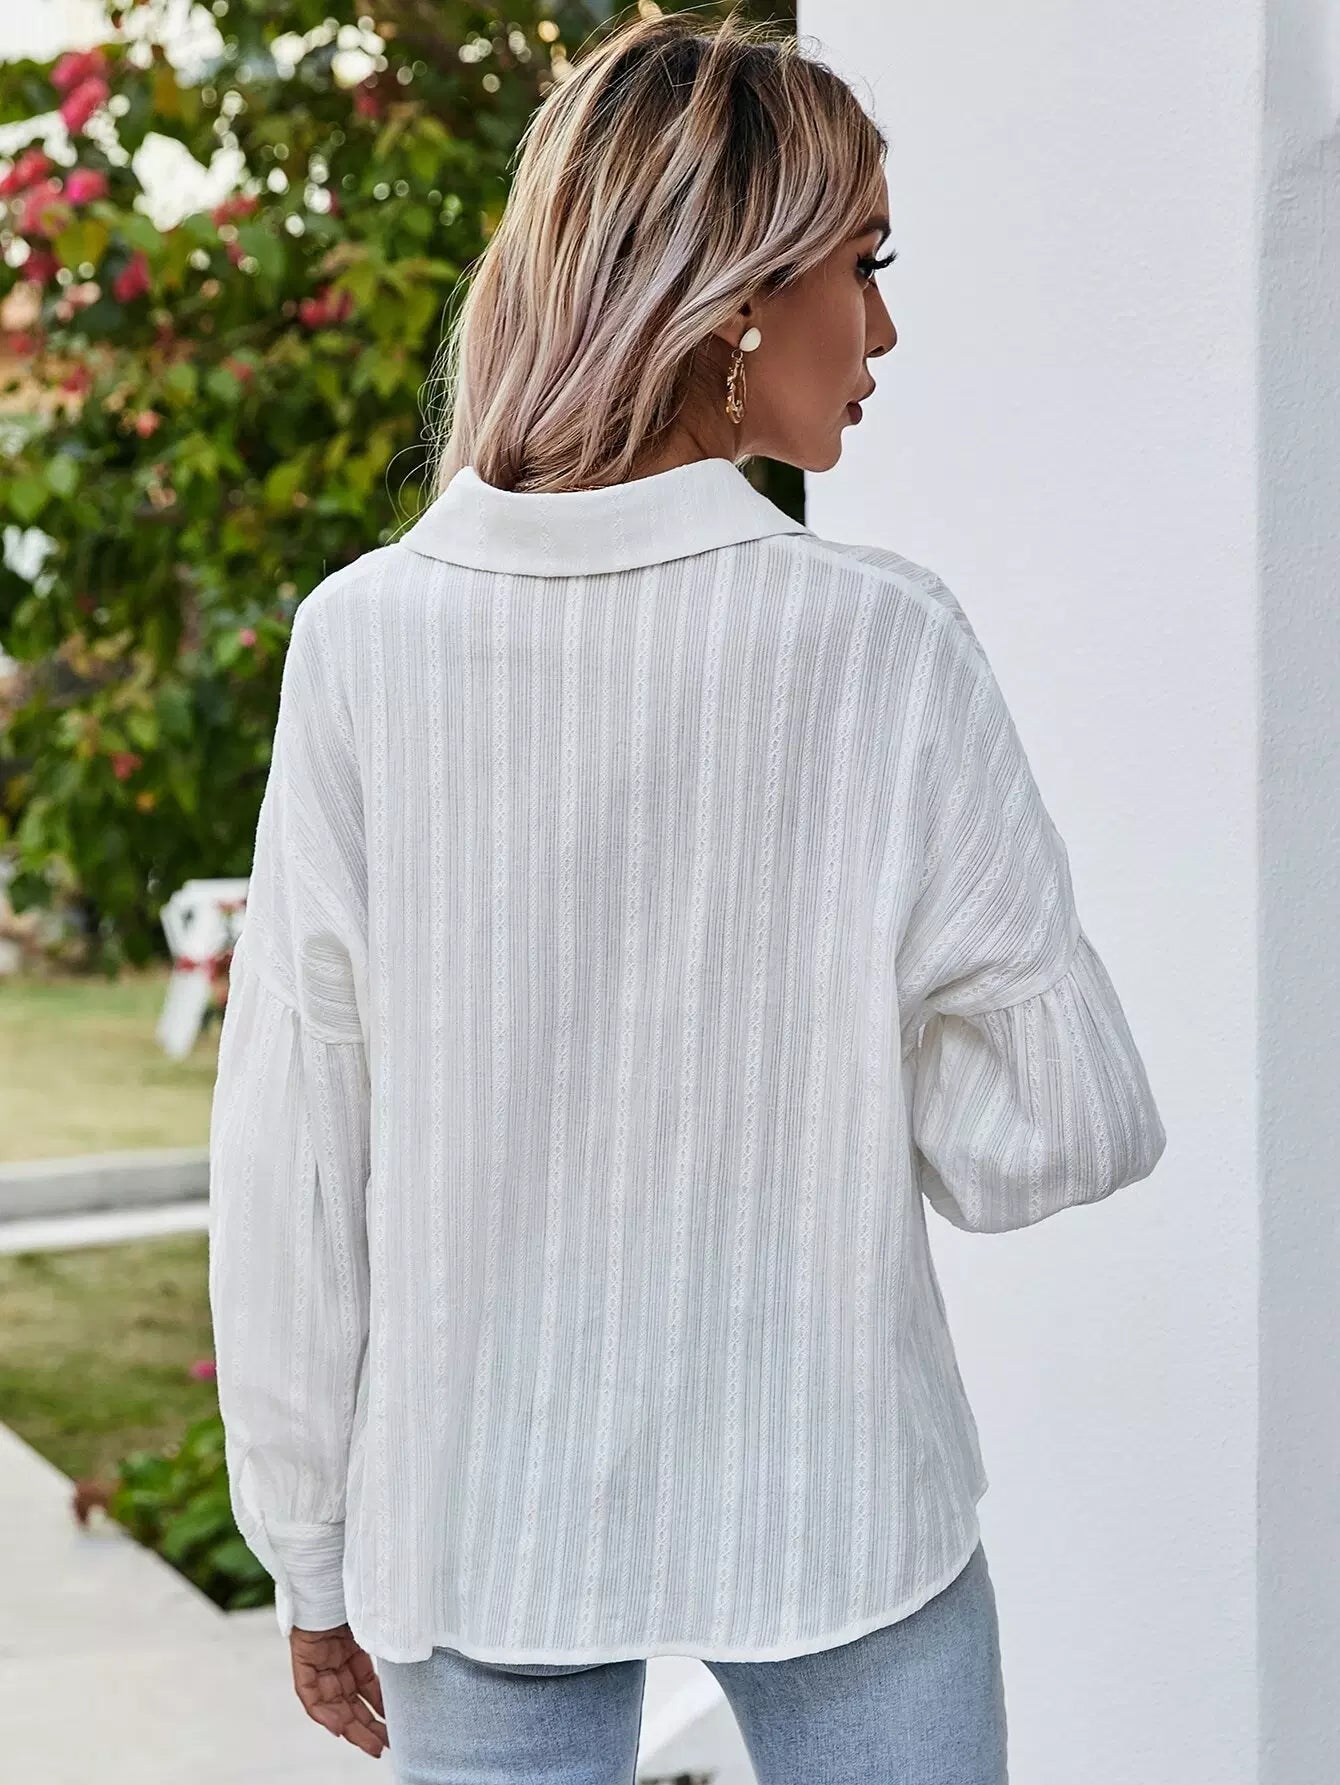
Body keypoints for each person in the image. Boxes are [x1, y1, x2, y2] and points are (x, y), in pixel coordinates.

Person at [206, 10, 1167, 1783]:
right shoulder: (883, 643)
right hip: (841, 1503)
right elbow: (1054, 1130)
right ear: (738, 293)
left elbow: (294, 1149)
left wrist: (308, 1549)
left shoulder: (366, 642)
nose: (883, 329)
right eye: (863, 265)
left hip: (476, 1518)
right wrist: (818, 1039)